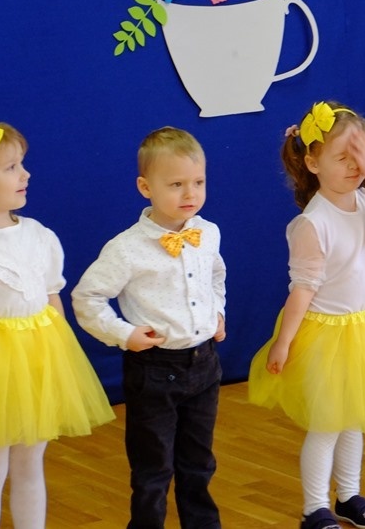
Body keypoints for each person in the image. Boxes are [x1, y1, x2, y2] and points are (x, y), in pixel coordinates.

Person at [248, 101, 365, 529]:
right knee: (327, 425)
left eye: (359, 156)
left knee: (353, 420)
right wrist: (284, 341)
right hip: (324, 336)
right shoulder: (314, 222)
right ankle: (314, 508)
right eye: (342, 158)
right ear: (313, 163)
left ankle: (348, 495)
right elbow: (303, 289)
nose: (353, 167)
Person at [73, 126, 227, 528]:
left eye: (198, 182)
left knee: (199, 462)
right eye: (176, 184)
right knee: (153, 469)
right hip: (154, 372)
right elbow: (87, 298)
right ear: (146, 187)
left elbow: (215, 275)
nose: (190, 193)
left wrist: (217, 312)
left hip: (205, 365)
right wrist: (124, 334)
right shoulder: (126, 248)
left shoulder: (207, 233)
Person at [0, 122, 114, 529]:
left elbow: (51, 297)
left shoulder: (38, 236)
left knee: (30, 462)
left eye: (22, 164)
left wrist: (61, 361)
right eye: (11, 167)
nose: (25, 174)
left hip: (36, 366)